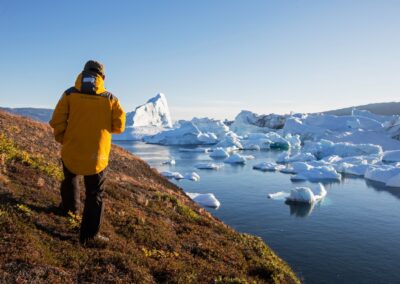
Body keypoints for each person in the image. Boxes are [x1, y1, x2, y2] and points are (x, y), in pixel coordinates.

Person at [49, 60, 126, 244]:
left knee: (70, 179)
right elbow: (119, 126)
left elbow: (57, 121)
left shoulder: (69, 94)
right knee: (95, 193)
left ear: (83, 73)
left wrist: (63, 139)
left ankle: (69, 210)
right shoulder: (111, 99)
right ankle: (89, 236)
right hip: (97, 155)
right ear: (103, 77)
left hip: (72, 148)